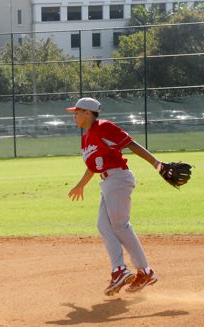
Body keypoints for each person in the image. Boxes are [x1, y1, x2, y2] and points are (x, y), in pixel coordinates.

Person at [66, 97, 161, 296]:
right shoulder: (86, 137)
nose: (74, 116)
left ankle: (144, 271)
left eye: (77, 112)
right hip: (108, 182)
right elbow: (93, 168)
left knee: (120, 226)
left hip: (118, 178)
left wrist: (156, 163)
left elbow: (131, 144)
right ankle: (122, 270)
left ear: (88, 113)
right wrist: (80, 185)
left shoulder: (104, 127)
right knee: (103, 225)